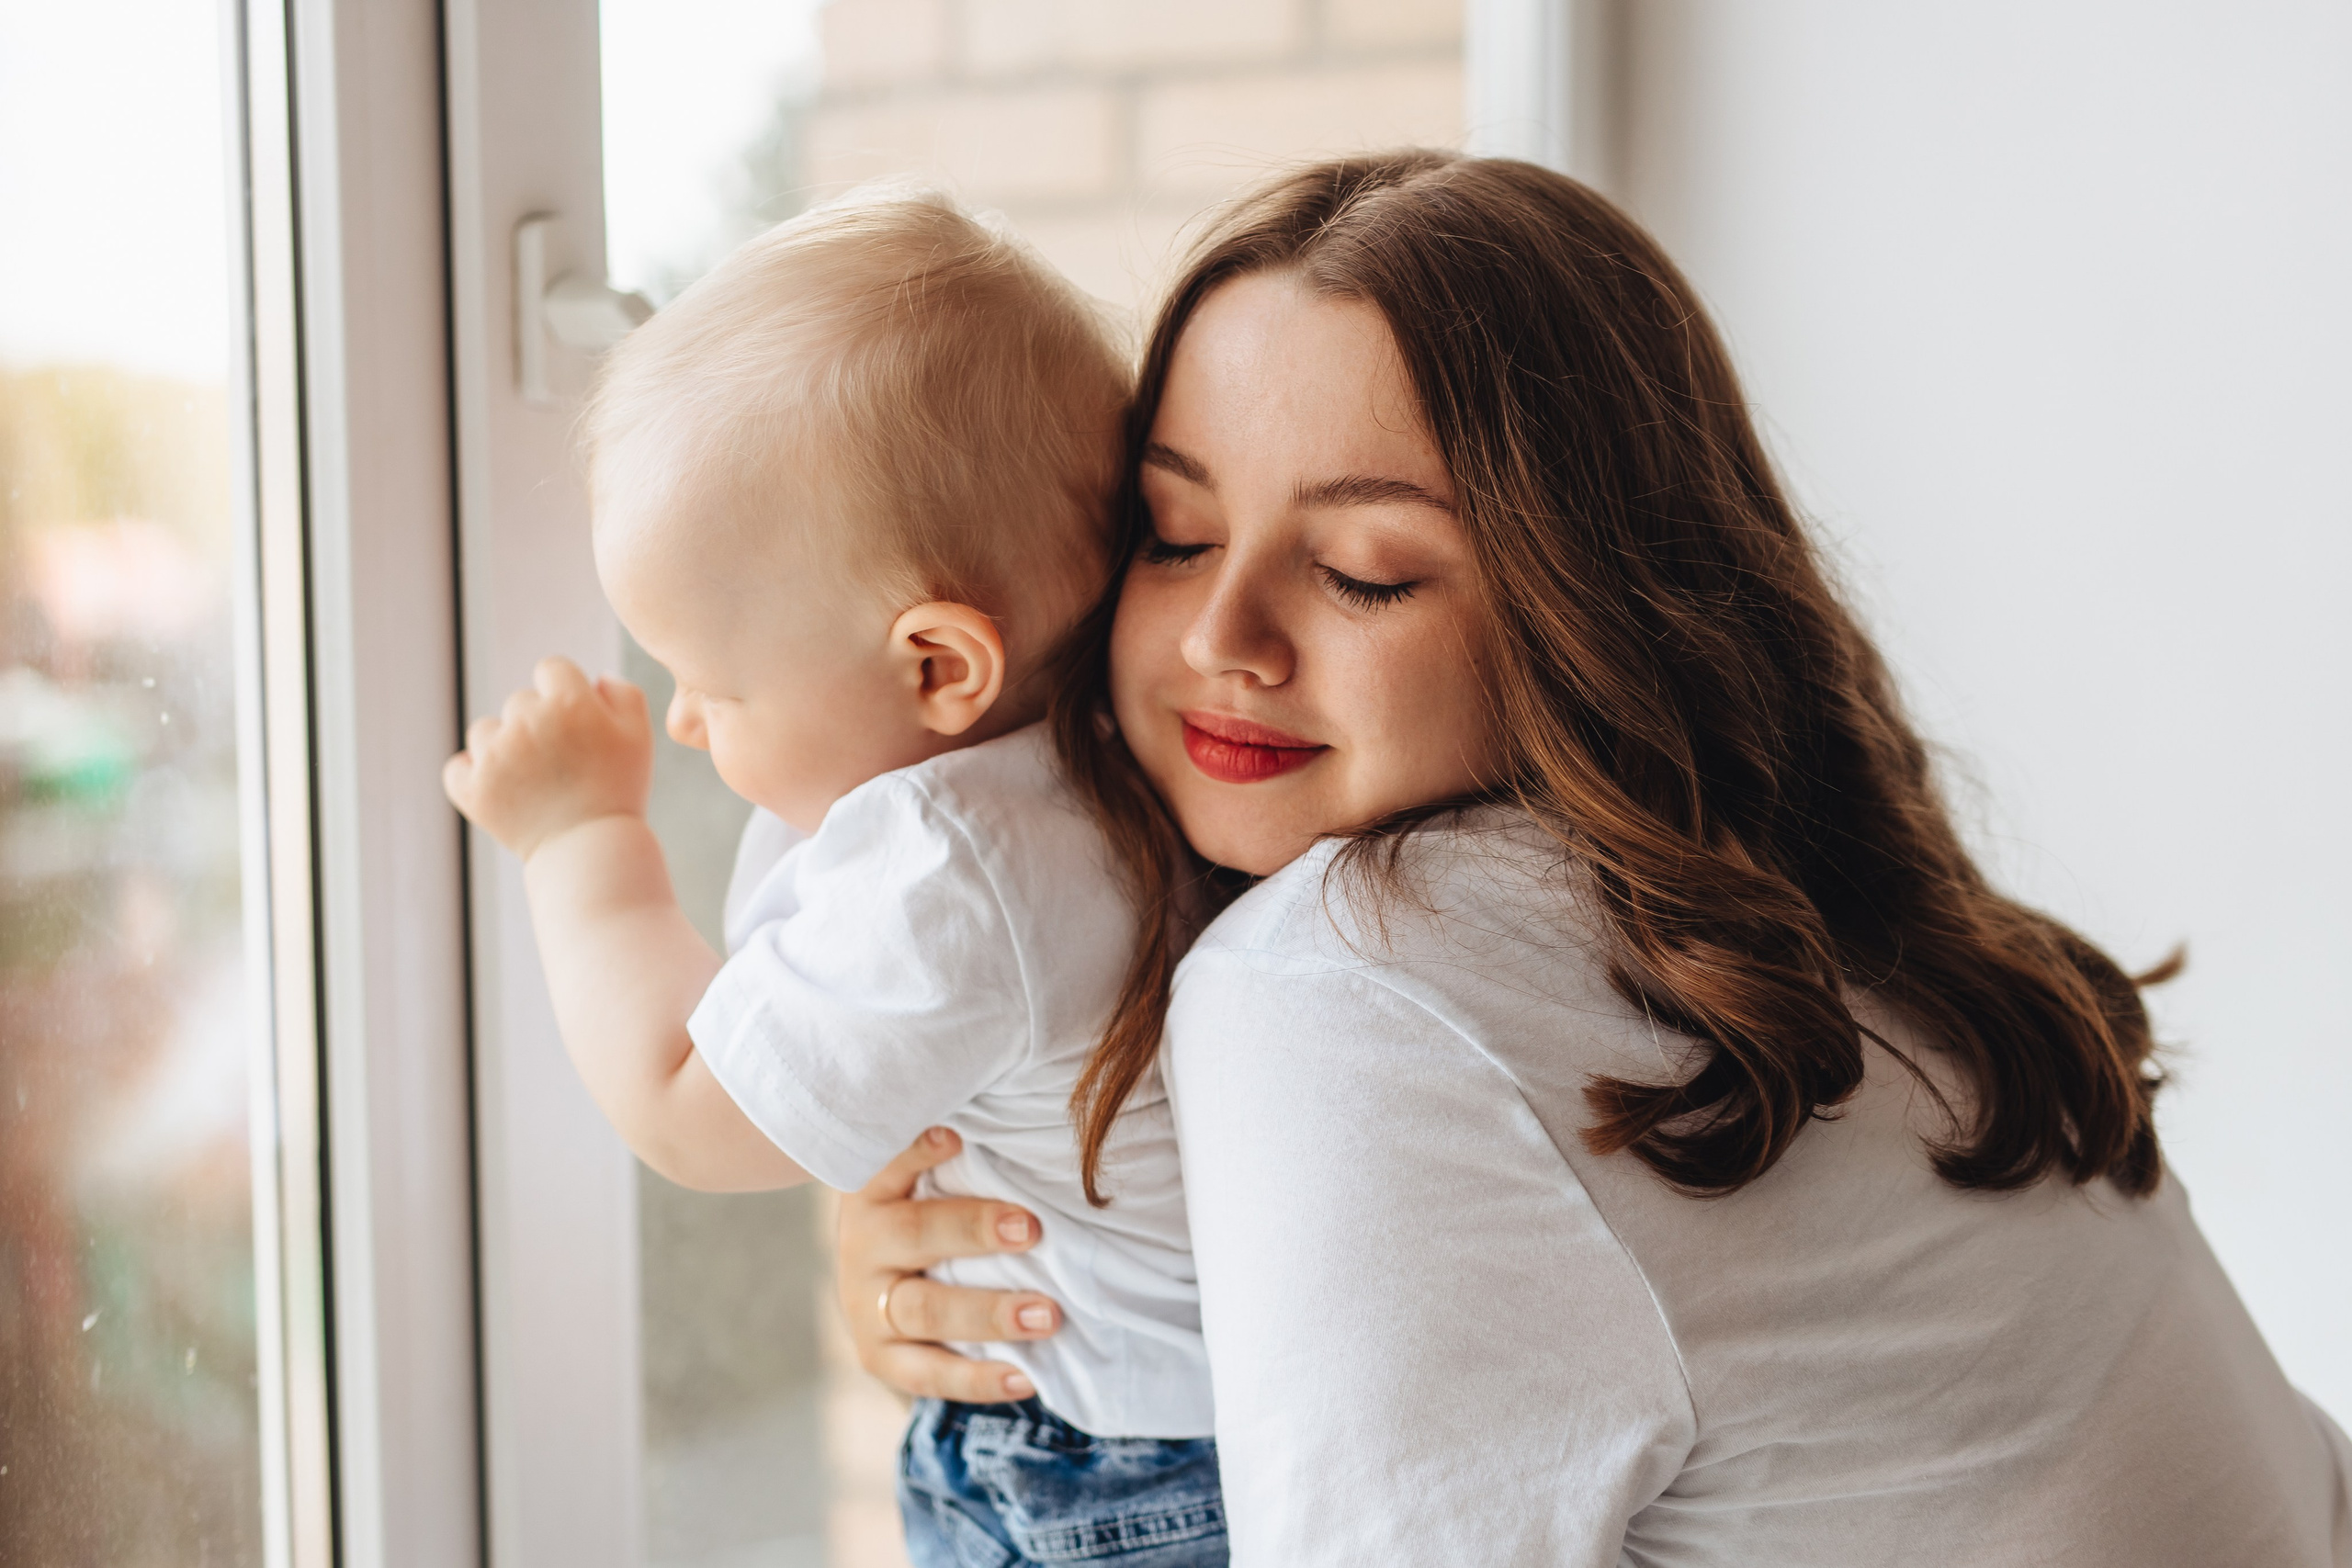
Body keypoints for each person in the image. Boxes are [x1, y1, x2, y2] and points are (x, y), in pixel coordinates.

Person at [833, 152, 2352, 1565]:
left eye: (1365, 574)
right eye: (1172, 537)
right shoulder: (1814, 912)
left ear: (1591, 609)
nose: (1223, 639)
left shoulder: (1346, 977)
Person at [440, 186, 1227, 1567]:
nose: (684, 721)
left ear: (936, 667)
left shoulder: (953, 864)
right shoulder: (1089, 773)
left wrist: (582, 840)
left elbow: (689, 1110)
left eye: (712, 682)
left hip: (1104, 1473)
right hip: (1163, 1445)